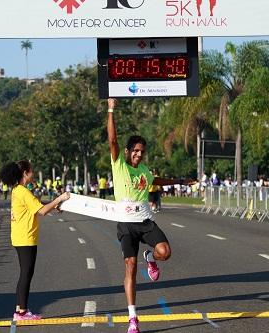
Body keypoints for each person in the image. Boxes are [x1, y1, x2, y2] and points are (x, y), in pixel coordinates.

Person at [107, 98, 193, 333]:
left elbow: (158, 181)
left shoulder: (144, 170)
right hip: (126, 225)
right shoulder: (119, 165)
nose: (138, 155)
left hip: (145, 221)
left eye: (141, 152)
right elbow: (112, 140)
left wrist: (181, 181)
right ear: (127, 152)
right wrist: (111, 109)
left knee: (165, 251)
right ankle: (133, 317)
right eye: (135, 151)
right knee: (130, 267)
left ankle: (151, 257)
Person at [0, 160, 70, 321]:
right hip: (25, 238)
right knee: (26, 274)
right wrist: (59, 199)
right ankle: (22, 312)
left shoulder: (18, 190)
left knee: (24, 273)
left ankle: (19, 308)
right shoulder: (23, 191)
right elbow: (43, 211)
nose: (33, 174)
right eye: (32, 171)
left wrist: (53, 205)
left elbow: (37, 206)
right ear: (25, 173)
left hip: (20, 236)